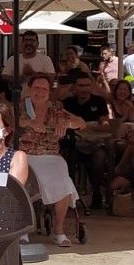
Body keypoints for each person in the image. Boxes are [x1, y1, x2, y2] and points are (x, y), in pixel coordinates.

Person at [17, 72, 80, 245]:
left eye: (44, 88)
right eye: (36, 87)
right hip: (25, 155)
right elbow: (7, 120)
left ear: (49, 91)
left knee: (63, 180)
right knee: (21, 180)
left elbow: (80, 123)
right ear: (30, 89)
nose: (40, 91)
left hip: (51, 156)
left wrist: (66, 123)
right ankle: (23, 229)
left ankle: (58, 230)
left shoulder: (56, 109)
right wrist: (28, 123)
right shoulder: (20, 106)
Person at [62, 70, 114, 210]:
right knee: (65, 159)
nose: (84, 89)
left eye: (87, 85)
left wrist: (88, 127)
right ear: (75, 87)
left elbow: (105, 124)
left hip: (95, 143)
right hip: (74, 144)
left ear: (91, 87)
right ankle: (68, 196)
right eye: (81, 85)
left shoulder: (99, 101)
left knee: (99, 158)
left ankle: (96, 192)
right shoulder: (68, 102)